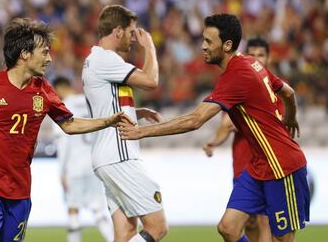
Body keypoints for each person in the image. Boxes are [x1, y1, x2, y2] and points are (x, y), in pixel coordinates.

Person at [0, 18, 131, 242]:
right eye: (44, 52)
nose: (49, 59)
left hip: (20, 188)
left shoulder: (44, 91)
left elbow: (69, 124)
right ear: (24, 54)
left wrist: (108, 121)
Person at [118, 14, 310, 242]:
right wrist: (291, 116)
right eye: (203, 40)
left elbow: (195, 120)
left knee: (281, 240)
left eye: (209, 41)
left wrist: (141, 132)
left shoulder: (238, 75)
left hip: (282, 167)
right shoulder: (251, 63)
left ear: (227, 45)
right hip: (259, 165)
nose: (203, 46)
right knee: (228, 228)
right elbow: (288, 92)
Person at [82, 5, 168, 242]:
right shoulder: (105, 59)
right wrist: (149, 45)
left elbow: (105, 105)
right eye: (131, 33)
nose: (133, 39)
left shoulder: (95, 60)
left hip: (105, 156)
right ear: (118, 31)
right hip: (120, 155)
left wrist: (135, 111)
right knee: (157, 227)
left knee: (126, 232)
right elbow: (151, 81)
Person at [202, 37, 277, 242]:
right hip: (244, 166)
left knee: (263, 221)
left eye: (260, 55)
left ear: (269, 58)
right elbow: (226, 123)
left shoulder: (273, 88)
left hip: (270, 165)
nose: (256, 59)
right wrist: (214, 142)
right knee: (247, 224)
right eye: (252, 54)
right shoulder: (242, 84)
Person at [52, 76, 113, 242]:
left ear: (60, 88)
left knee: (73, 209)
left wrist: (62, 172)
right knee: (99, 210)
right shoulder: (90, 103)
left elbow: (63, 144)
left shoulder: (62, 107)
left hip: (73, 166)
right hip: (93, 164)